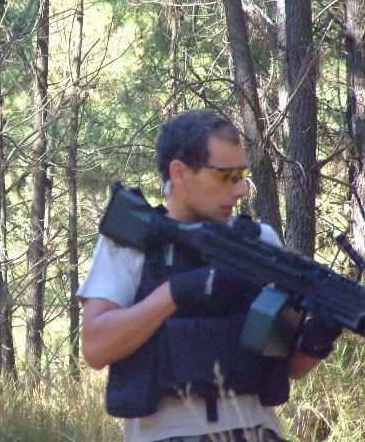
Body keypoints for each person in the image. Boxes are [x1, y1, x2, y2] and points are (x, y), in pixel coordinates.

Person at [78, 109, 342, 442]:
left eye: (242, 175)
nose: (241, 190)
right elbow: (96, 347)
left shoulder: (260, 244)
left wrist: (318, 338)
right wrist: (174, 293)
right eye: (226, 175)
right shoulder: (132, 243)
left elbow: (286, 368)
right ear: (180, 173)